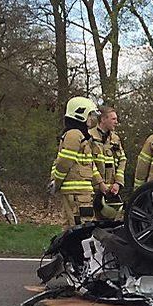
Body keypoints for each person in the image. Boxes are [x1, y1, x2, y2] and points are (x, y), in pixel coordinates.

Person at [50, 96, 100, 228]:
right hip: (76, 193)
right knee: (79, 228)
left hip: (79, 193)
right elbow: (64, 162)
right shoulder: (74, 135)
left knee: (71, 226)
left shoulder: (79, 135)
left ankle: (66, 249)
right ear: (80, 114)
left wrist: (100, 184)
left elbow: (89, 164)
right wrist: (57, 182)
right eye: (89, 115)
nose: (91, 119)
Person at [89, 105, 126, 218]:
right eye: (113, 119)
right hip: (93, 190)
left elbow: (122, 160)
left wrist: (118, 183)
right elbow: (88, 162)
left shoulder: (115, 139)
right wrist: (99, 183)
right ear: (103, 119)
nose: (116, 122)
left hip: (111, 191)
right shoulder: (90, 137)